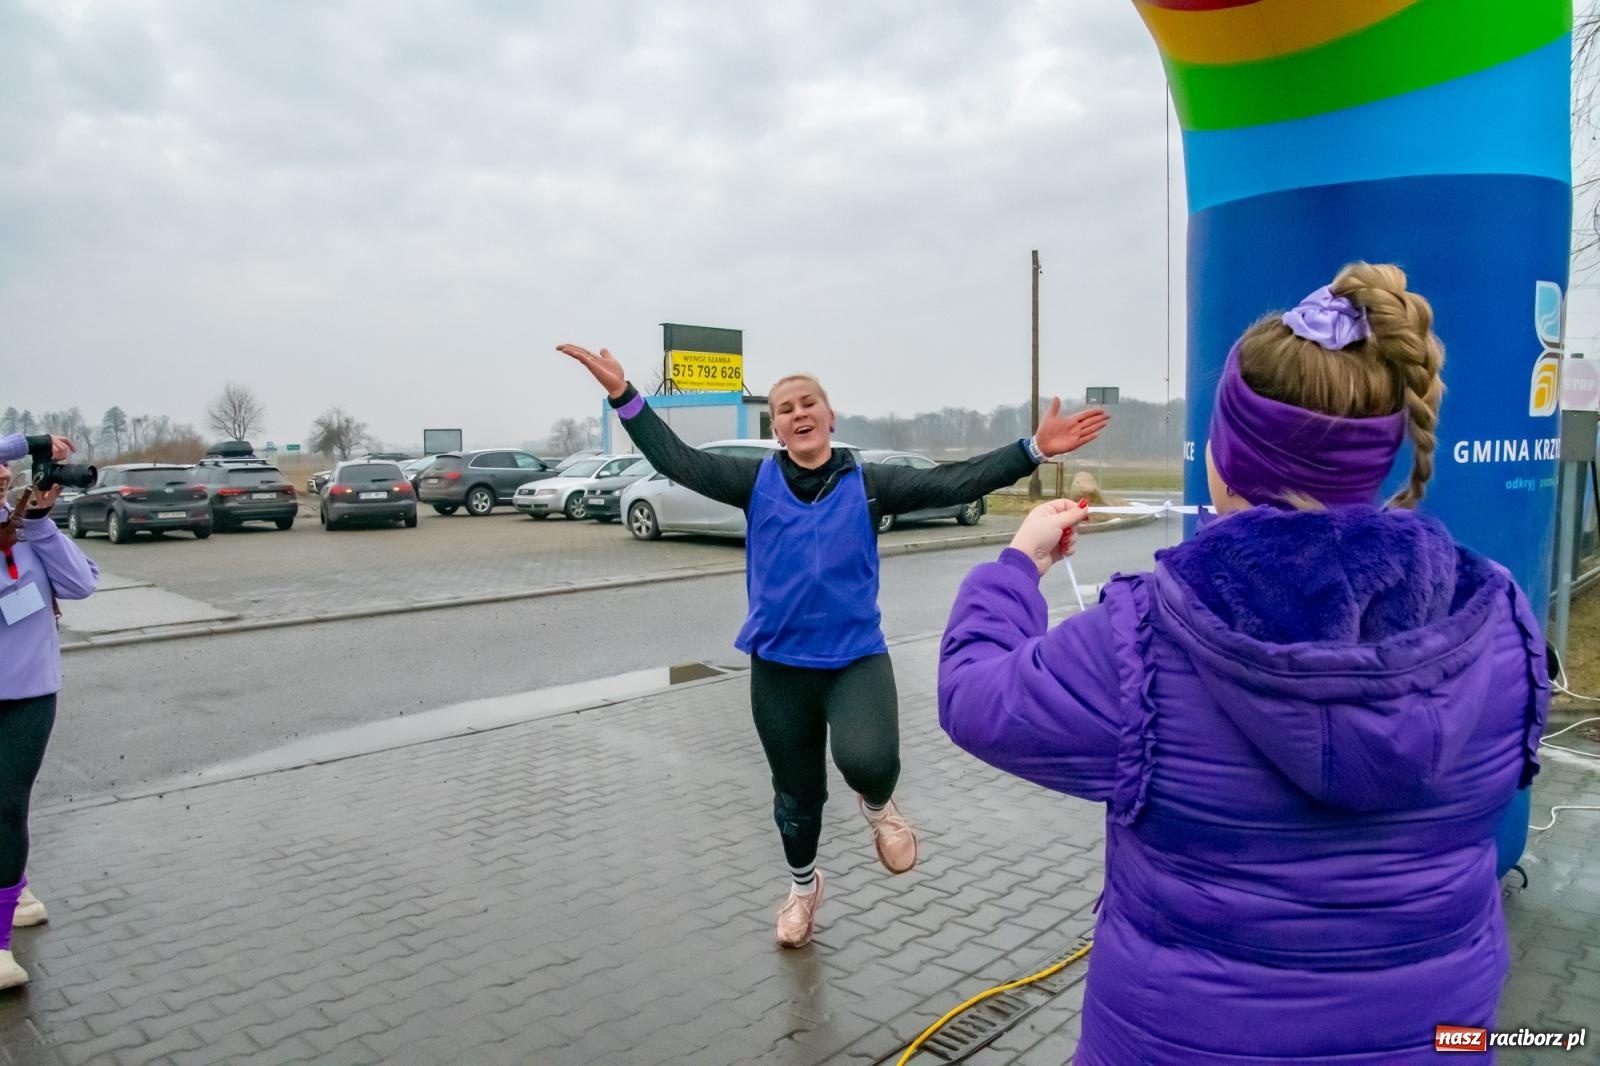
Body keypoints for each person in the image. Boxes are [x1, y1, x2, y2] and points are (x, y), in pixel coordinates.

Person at [939, 264, 1548, 1063]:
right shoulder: (1496, 618)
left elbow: (974, 695)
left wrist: (1016, 567)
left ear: (1227, 457)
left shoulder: (1145, 638)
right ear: (1382, 457)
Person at [559, 343, 1109, 948]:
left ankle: (879, 807)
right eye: (785, 408)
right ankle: (802, 891)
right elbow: (681, 461)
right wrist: (624, 396)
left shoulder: (868, 482)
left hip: (855, 661)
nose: (798, 413)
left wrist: (1031, 450)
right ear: (776, 427)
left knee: (869, 761)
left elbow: (951, 480)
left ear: (829, 416)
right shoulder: (755, 482)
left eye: (808, 402)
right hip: (779, 669)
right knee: (797, 802)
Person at [0, 433, 99, 991]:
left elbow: (81, 584)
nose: (4, 475)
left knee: (7, 803)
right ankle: (14, 885)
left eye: (6, 471)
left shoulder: (24, 527)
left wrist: (40, 524)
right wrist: (30, 441)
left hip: (30, 694)